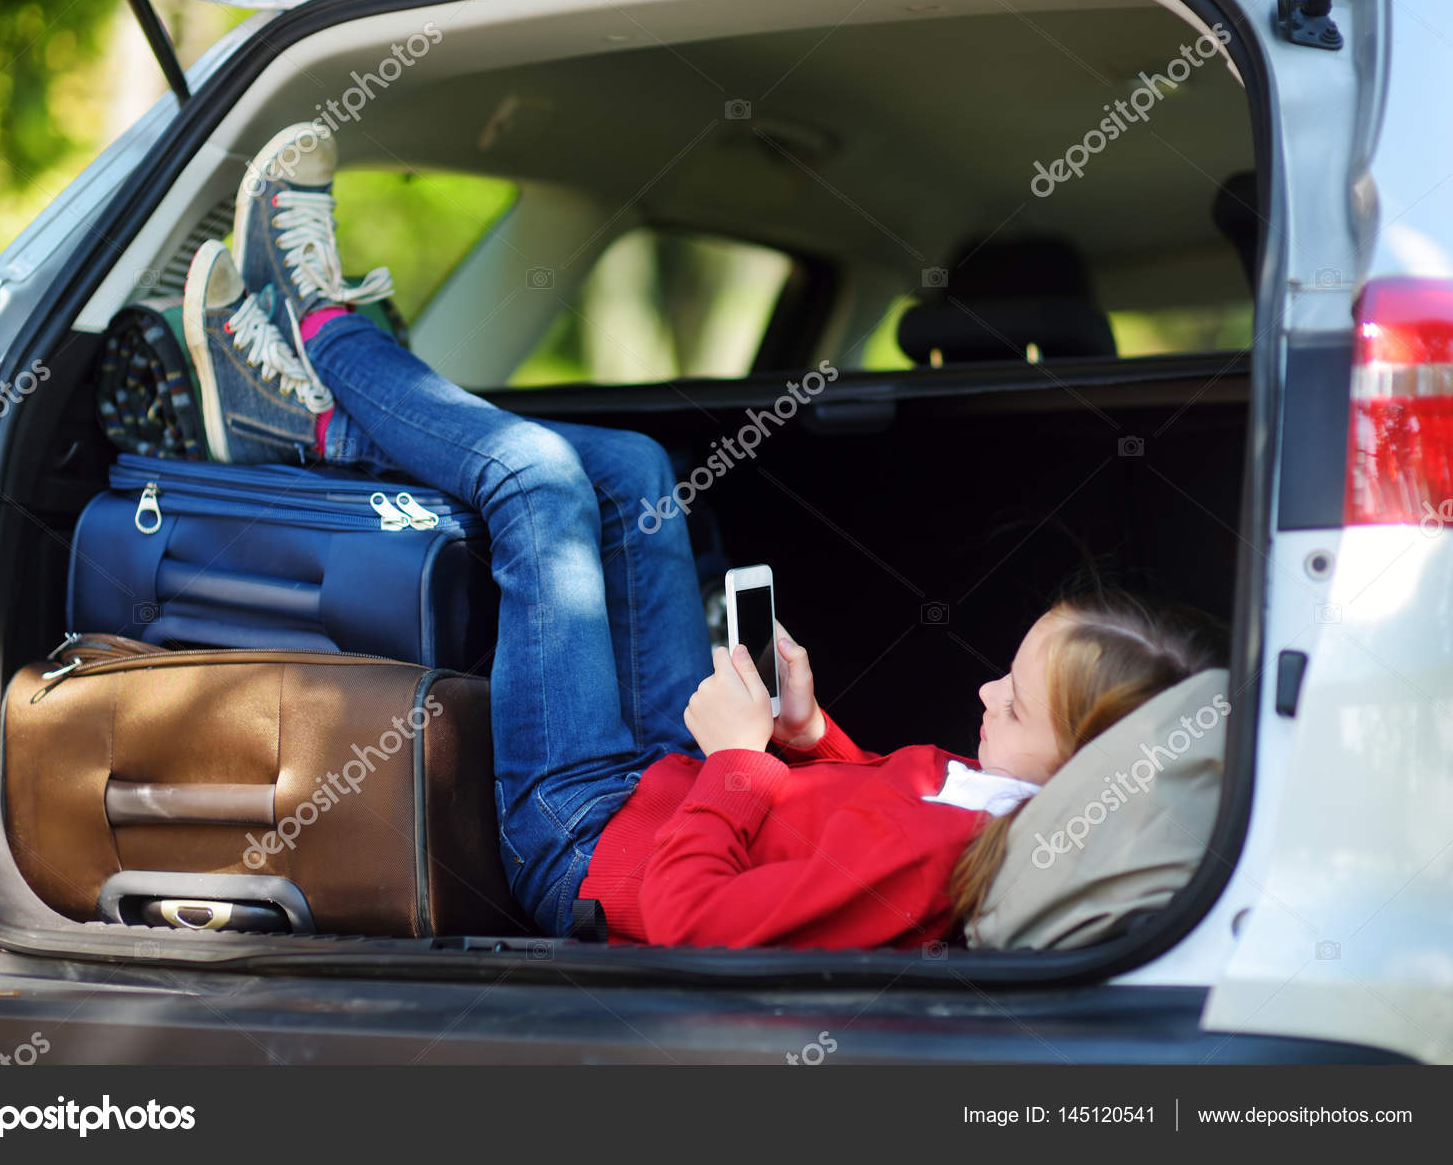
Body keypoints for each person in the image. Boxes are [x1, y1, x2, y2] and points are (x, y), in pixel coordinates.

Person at [179, 122, 1226, 949]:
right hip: (669, 786)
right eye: (1009, 673)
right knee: (636, 474)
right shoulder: (989, 790)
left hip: (588, 844)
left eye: (1017, 701)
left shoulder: (946, 857)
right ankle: (313, 428)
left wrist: (736, 761)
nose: (984, 693)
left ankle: (320, 319)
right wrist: (811, 740)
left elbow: (690, 928)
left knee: (536, 485)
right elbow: (848, 812)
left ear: (1078, 768)